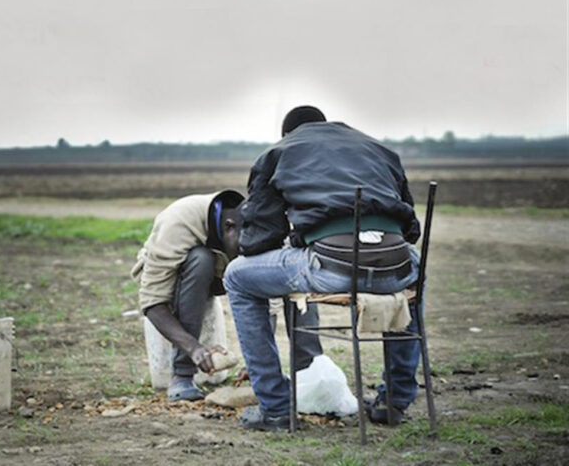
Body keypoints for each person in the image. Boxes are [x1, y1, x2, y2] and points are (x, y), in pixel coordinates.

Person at [224, 105, 423, 430]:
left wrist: (297, 235)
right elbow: (411, 230)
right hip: (396, 265)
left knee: (237, 278)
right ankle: (395, 400)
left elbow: (260, 238)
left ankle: (275, 408)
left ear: (288, 133)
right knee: (418, 274)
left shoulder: (278, 153)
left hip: (333, 264)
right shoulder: (379, 149)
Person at [132, 190, 323, 401]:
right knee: (200, 260)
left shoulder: (267, 227)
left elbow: (271, 302)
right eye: (244, 249)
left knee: (294, 274)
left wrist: (259, 364)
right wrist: (193, 348)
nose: (248, 255)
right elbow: (153, 302)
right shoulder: (179, 221)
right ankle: (182, 374)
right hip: (178, 278)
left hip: (222, 271)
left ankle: (308, 372)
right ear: (230, 227)